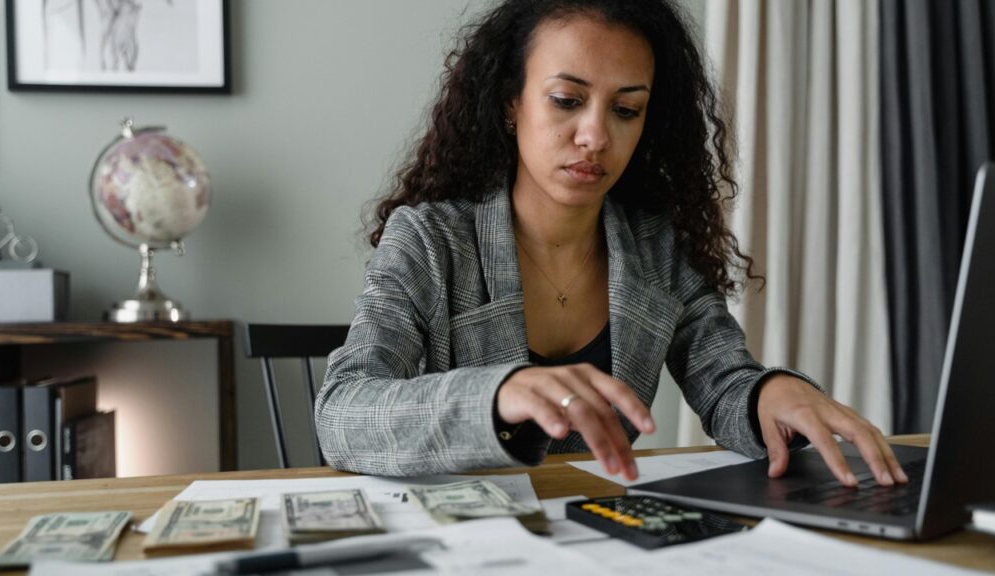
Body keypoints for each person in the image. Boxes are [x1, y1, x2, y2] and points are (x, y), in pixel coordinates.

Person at [316, 0, 907, 488]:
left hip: (599, 534)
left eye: (626, 109)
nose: (596, 135)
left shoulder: (654, 247)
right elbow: (342, 412)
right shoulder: (430, 239)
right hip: (467, 539)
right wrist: (498, 394)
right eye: (567, 100)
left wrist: (772, 391)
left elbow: (724, 380)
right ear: (510, 103)